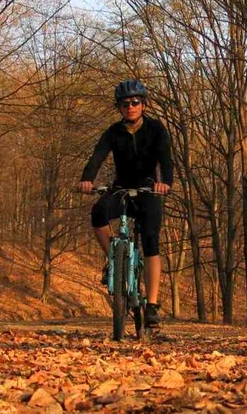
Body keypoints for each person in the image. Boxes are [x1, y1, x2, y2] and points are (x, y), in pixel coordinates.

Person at [78, 79, 173, 328]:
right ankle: (115, 258)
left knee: (151, 240)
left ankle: (151, 306)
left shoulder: (156, 129)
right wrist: (87, 179)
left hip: (148, 189)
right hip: (121, 187)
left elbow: (166, 157)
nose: (130, 107)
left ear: (143, 104)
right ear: (119, 108)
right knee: (98, 212)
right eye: (124, 104)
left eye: (135, 102)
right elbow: (98, 155)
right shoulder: (113, 132)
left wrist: (166, 183)